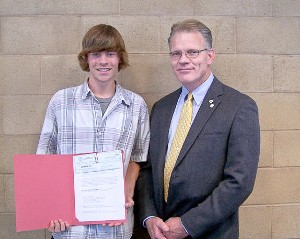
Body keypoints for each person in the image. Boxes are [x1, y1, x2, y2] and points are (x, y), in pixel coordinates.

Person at [135, 19, 260, 239]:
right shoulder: (162, 107)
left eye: (192, 52)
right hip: (160, 233)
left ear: (210, 55)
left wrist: (188, 224)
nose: (183, 60)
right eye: (176, 53)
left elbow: (239, 182)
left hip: (210, 232)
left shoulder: (239, 107)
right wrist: (149, 217)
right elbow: (148, 169)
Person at [36, 24, 150, 239]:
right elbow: (44, 157)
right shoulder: (61, 101)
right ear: (86, 59)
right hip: (69, 227)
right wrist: (49, 208)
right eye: (95, 54)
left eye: (110, 54)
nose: (103, 61)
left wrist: (126, 191)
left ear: (119, 58)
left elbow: (137, 156)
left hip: (115, 226)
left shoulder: (136, 105)